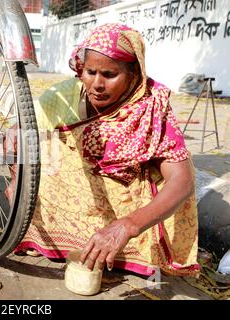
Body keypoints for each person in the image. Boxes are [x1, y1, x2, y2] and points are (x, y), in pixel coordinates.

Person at [14, 23, 200, 277]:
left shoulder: (151, 106)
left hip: (128, 204)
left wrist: (129, 226)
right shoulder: (64, 96)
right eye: (90, 72)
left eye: (110, 75)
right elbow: (20, 134)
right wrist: (17, 179)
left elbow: (183, 181)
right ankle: (52, 239)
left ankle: (123, 246)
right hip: (80, 193)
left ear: (134, 73)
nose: (97, 84)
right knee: (45, 151)